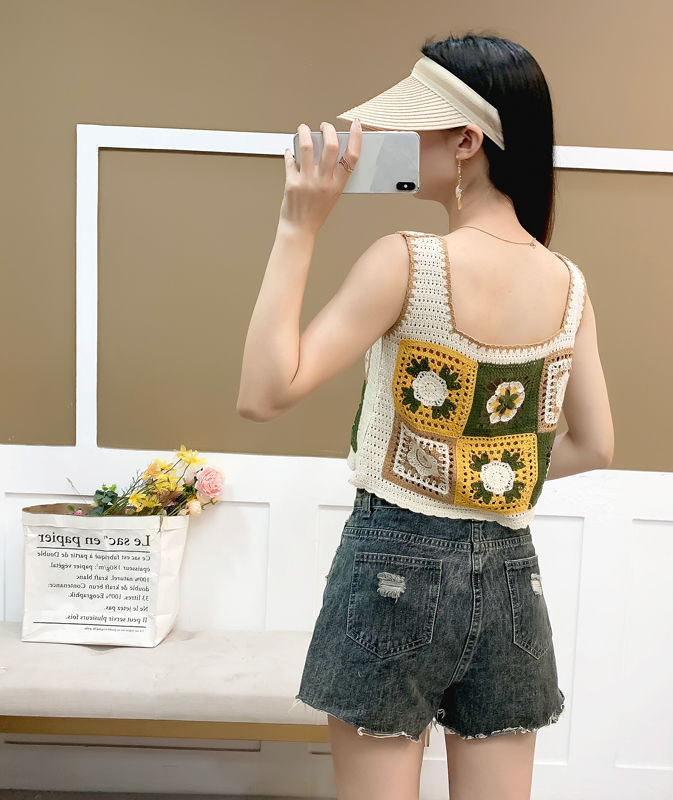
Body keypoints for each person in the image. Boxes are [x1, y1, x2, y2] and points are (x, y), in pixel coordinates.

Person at [238, 32, 614, 800]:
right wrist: (481, 472)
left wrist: (298, 225)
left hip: (392, 569)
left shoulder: (408, 261)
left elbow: (264, 394)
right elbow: (596, 445)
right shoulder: (569, 286)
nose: (394, 140)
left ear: (467, 142)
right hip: (512, 581)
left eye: (411, 125)